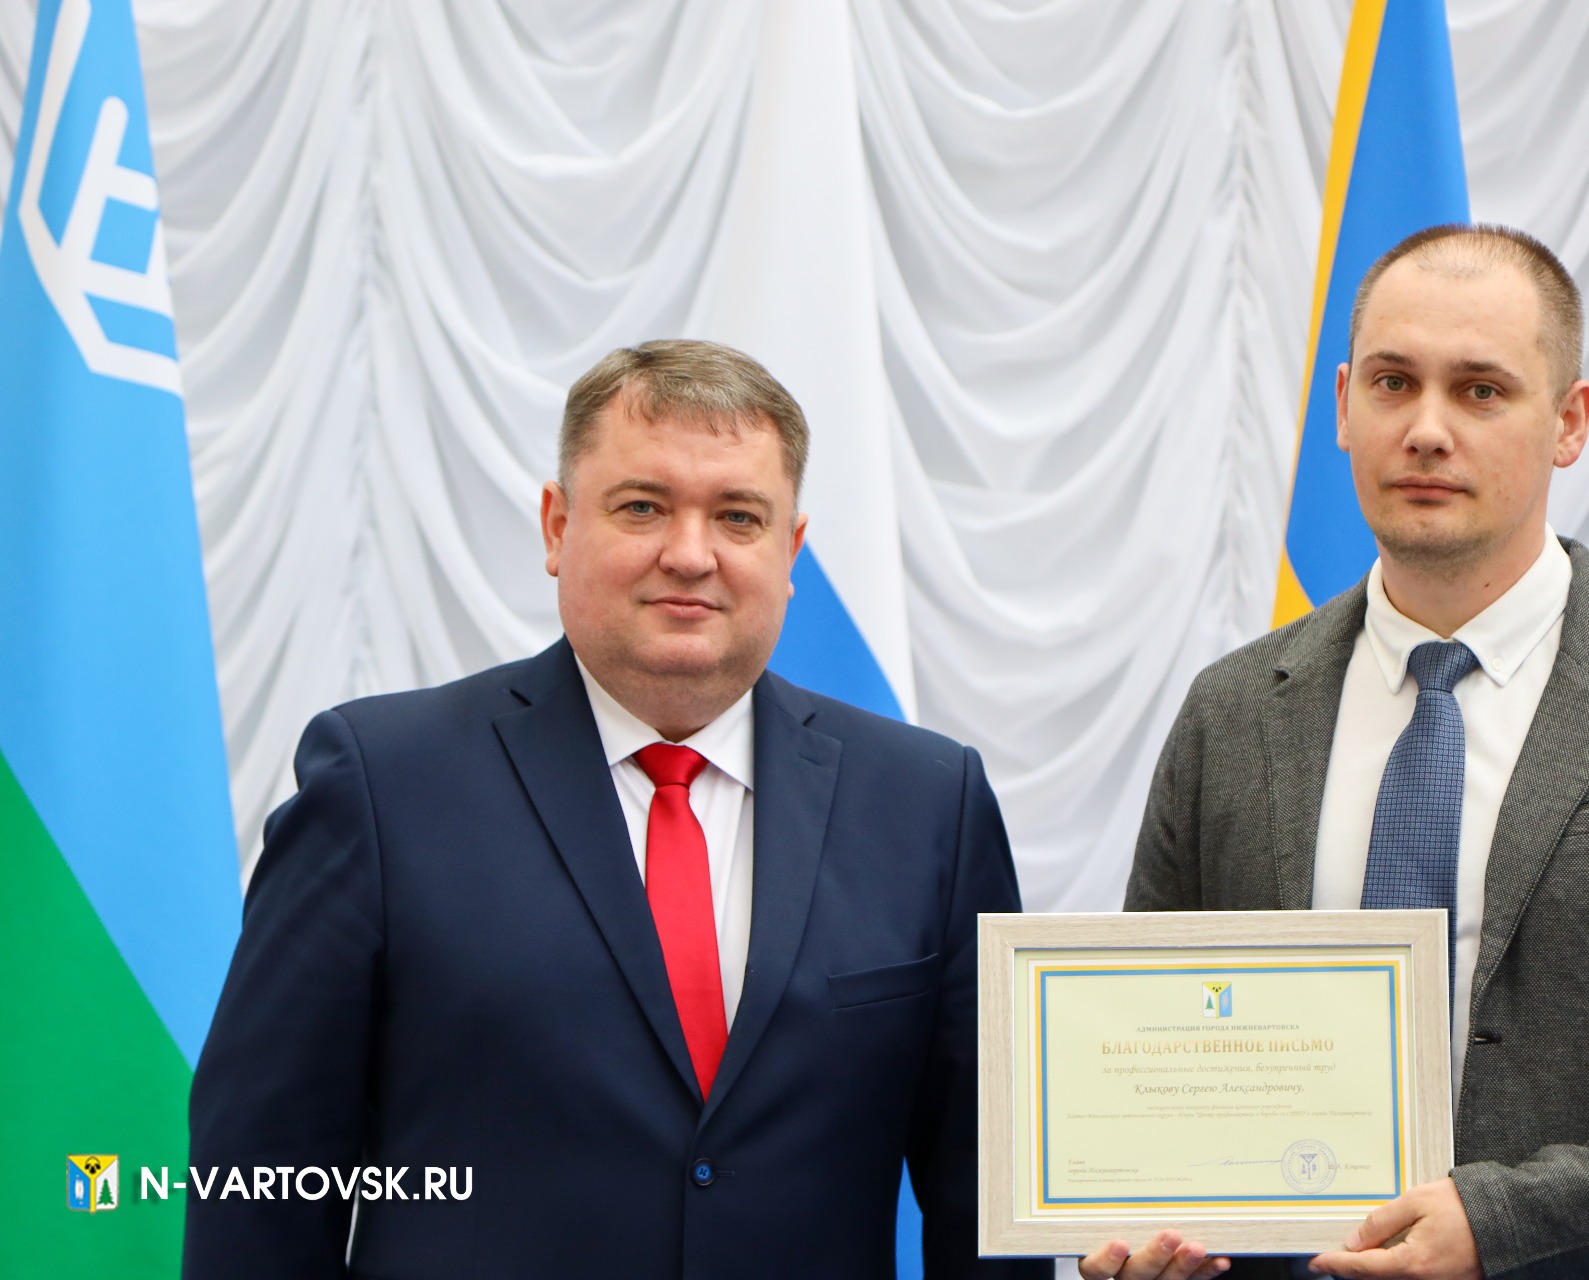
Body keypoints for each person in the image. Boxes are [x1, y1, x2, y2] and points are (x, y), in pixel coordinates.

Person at [1083, 226, 1589, 1280]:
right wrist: (1145, 1232)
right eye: (1393, 383)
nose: (1426, 430)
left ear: (1570, 421)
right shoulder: (1230, 713)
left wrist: (1508, 1220)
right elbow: (1160, 1044)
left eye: (1481, 391)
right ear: (1343, 406)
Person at [186, 340, 1050, 1279]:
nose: (690, 554)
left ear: (791, 550)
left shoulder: (928, 804)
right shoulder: (381, 784)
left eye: (738, 516)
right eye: (642, 507)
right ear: (558, 527)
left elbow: (985, 1199)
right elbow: (261, 1170)